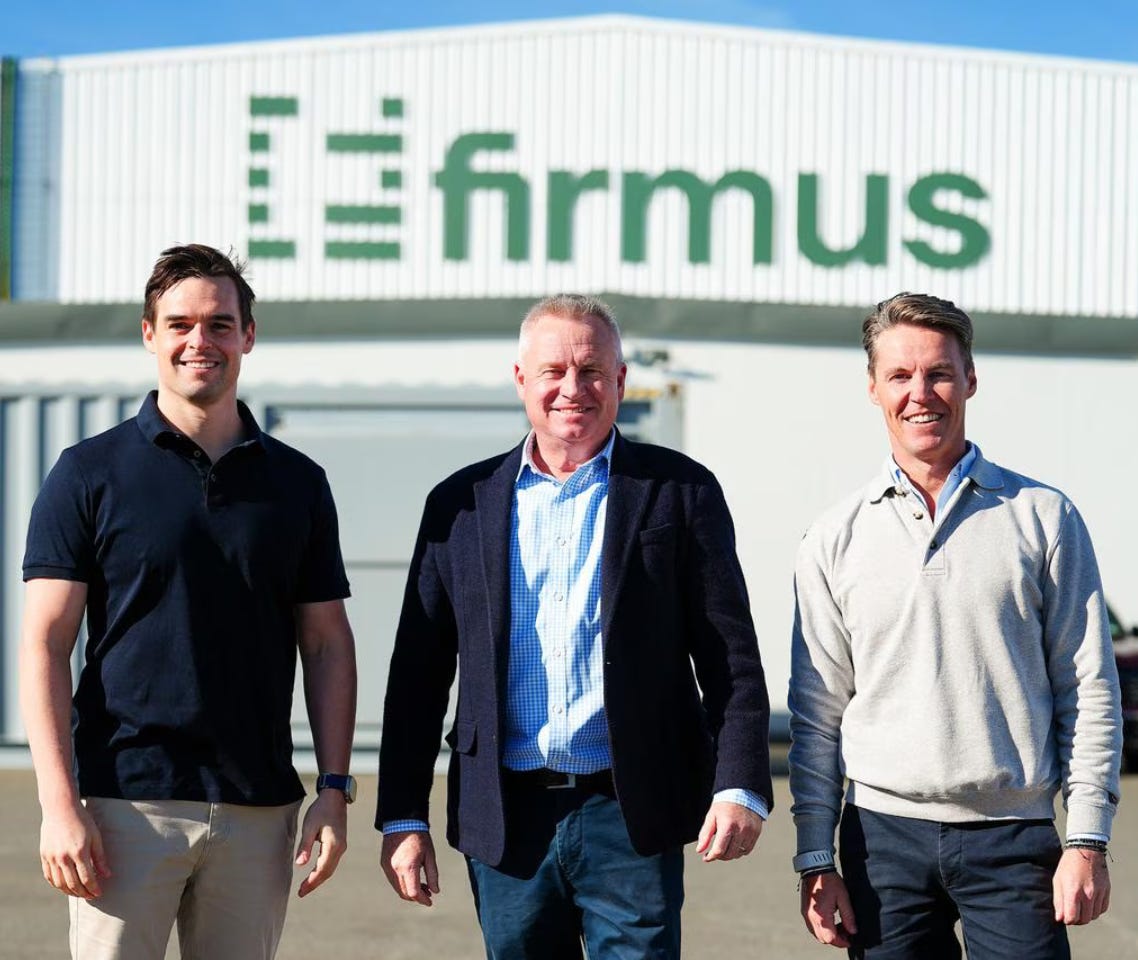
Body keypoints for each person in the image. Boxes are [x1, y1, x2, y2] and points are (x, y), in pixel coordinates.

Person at [376, 293, 772, 958]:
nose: (572, 388)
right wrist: (403, 815)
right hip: (507, 817)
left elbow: (730, 658)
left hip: (628, 808)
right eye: (553, 371)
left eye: (591, 371)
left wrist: (739, 784)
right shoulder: (460, 505)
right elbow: (418, 675)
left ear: (620, 380)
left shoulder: (681, 493)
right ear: (521, 379)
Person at [19, 244, 358, 960]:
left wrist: (333, 788)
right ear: (150, 334)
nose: (199, 341)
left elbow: (327, 641)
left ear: (248, 336)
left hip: (259, 807)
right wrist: (59, 804)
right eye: (179, 324)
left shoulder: (298, 483)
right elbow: (45, 643)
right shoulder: (88, 473)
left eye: (219, 324)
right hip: (125, 806)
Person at [788, 292, 1123, 958]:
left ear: (970, 378)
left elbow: (1088, 687)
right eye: (900, 376)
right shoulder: (834, 537)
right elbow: (816, 713)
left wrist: (1087, 837)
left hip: (1015, 841)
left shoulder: (1043, 517)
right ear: (873, 388)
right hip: (880, 843)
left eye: (939, 373)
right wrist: (814, 857)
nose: (921, 394)